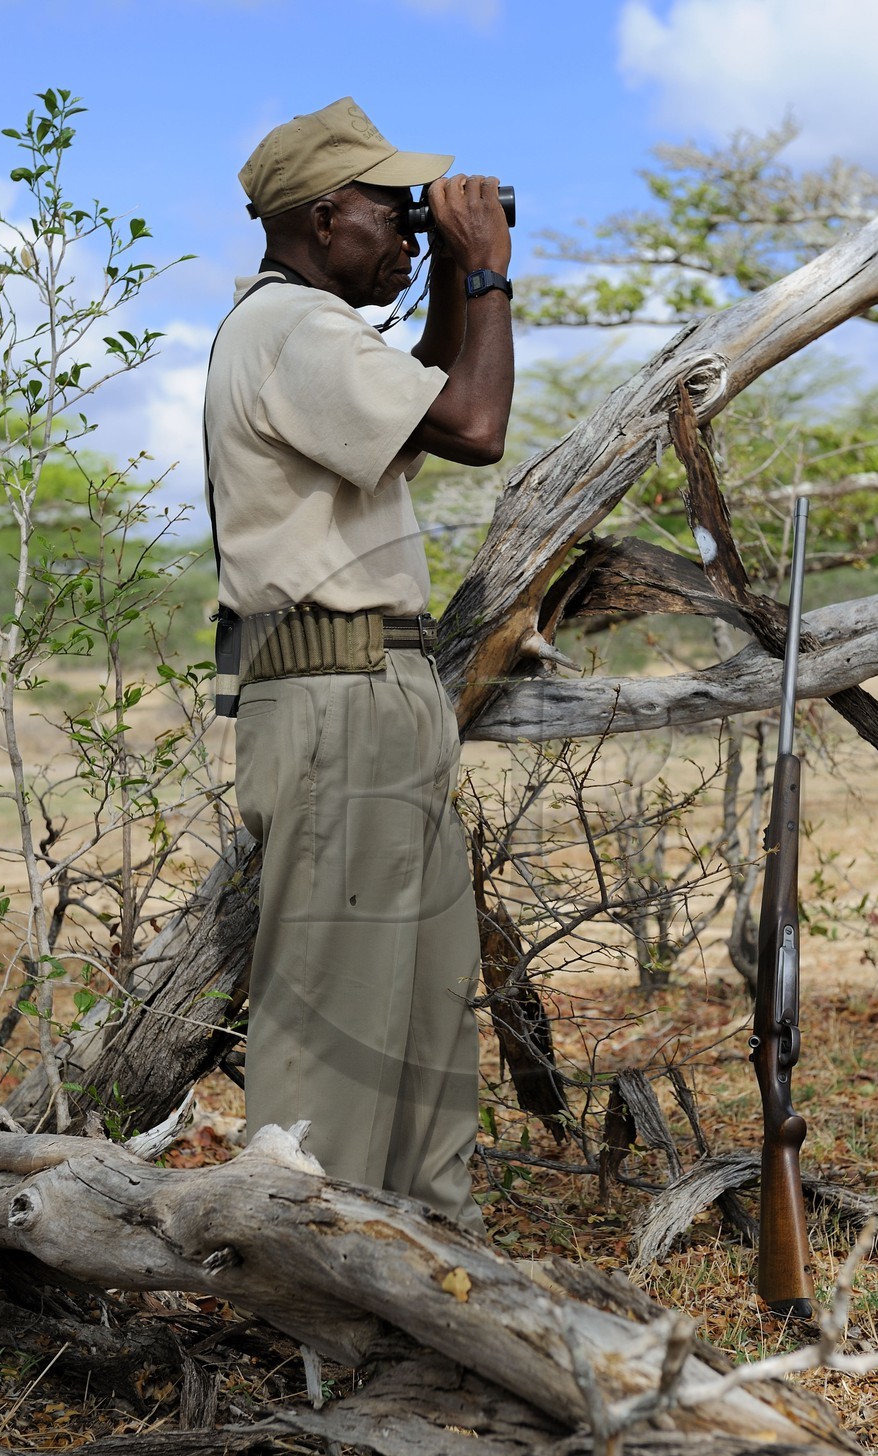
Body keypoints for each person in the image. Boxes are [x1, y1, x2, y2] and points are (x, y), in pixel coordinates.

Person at [203, 98, 513, 1234]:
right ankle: (309, 1288)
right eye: (393, 212)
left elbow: (423, 408)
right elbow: (475, 424)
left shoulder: (303, 333)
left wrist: (440, 281)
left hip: (372, 690)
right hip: (337, 694)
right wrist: (484, 270)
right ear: (326, 215)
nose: (410, 230)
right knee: (336, 1022)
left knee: (426, 1018)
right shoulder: (295, 329)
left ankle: (428, 1272)